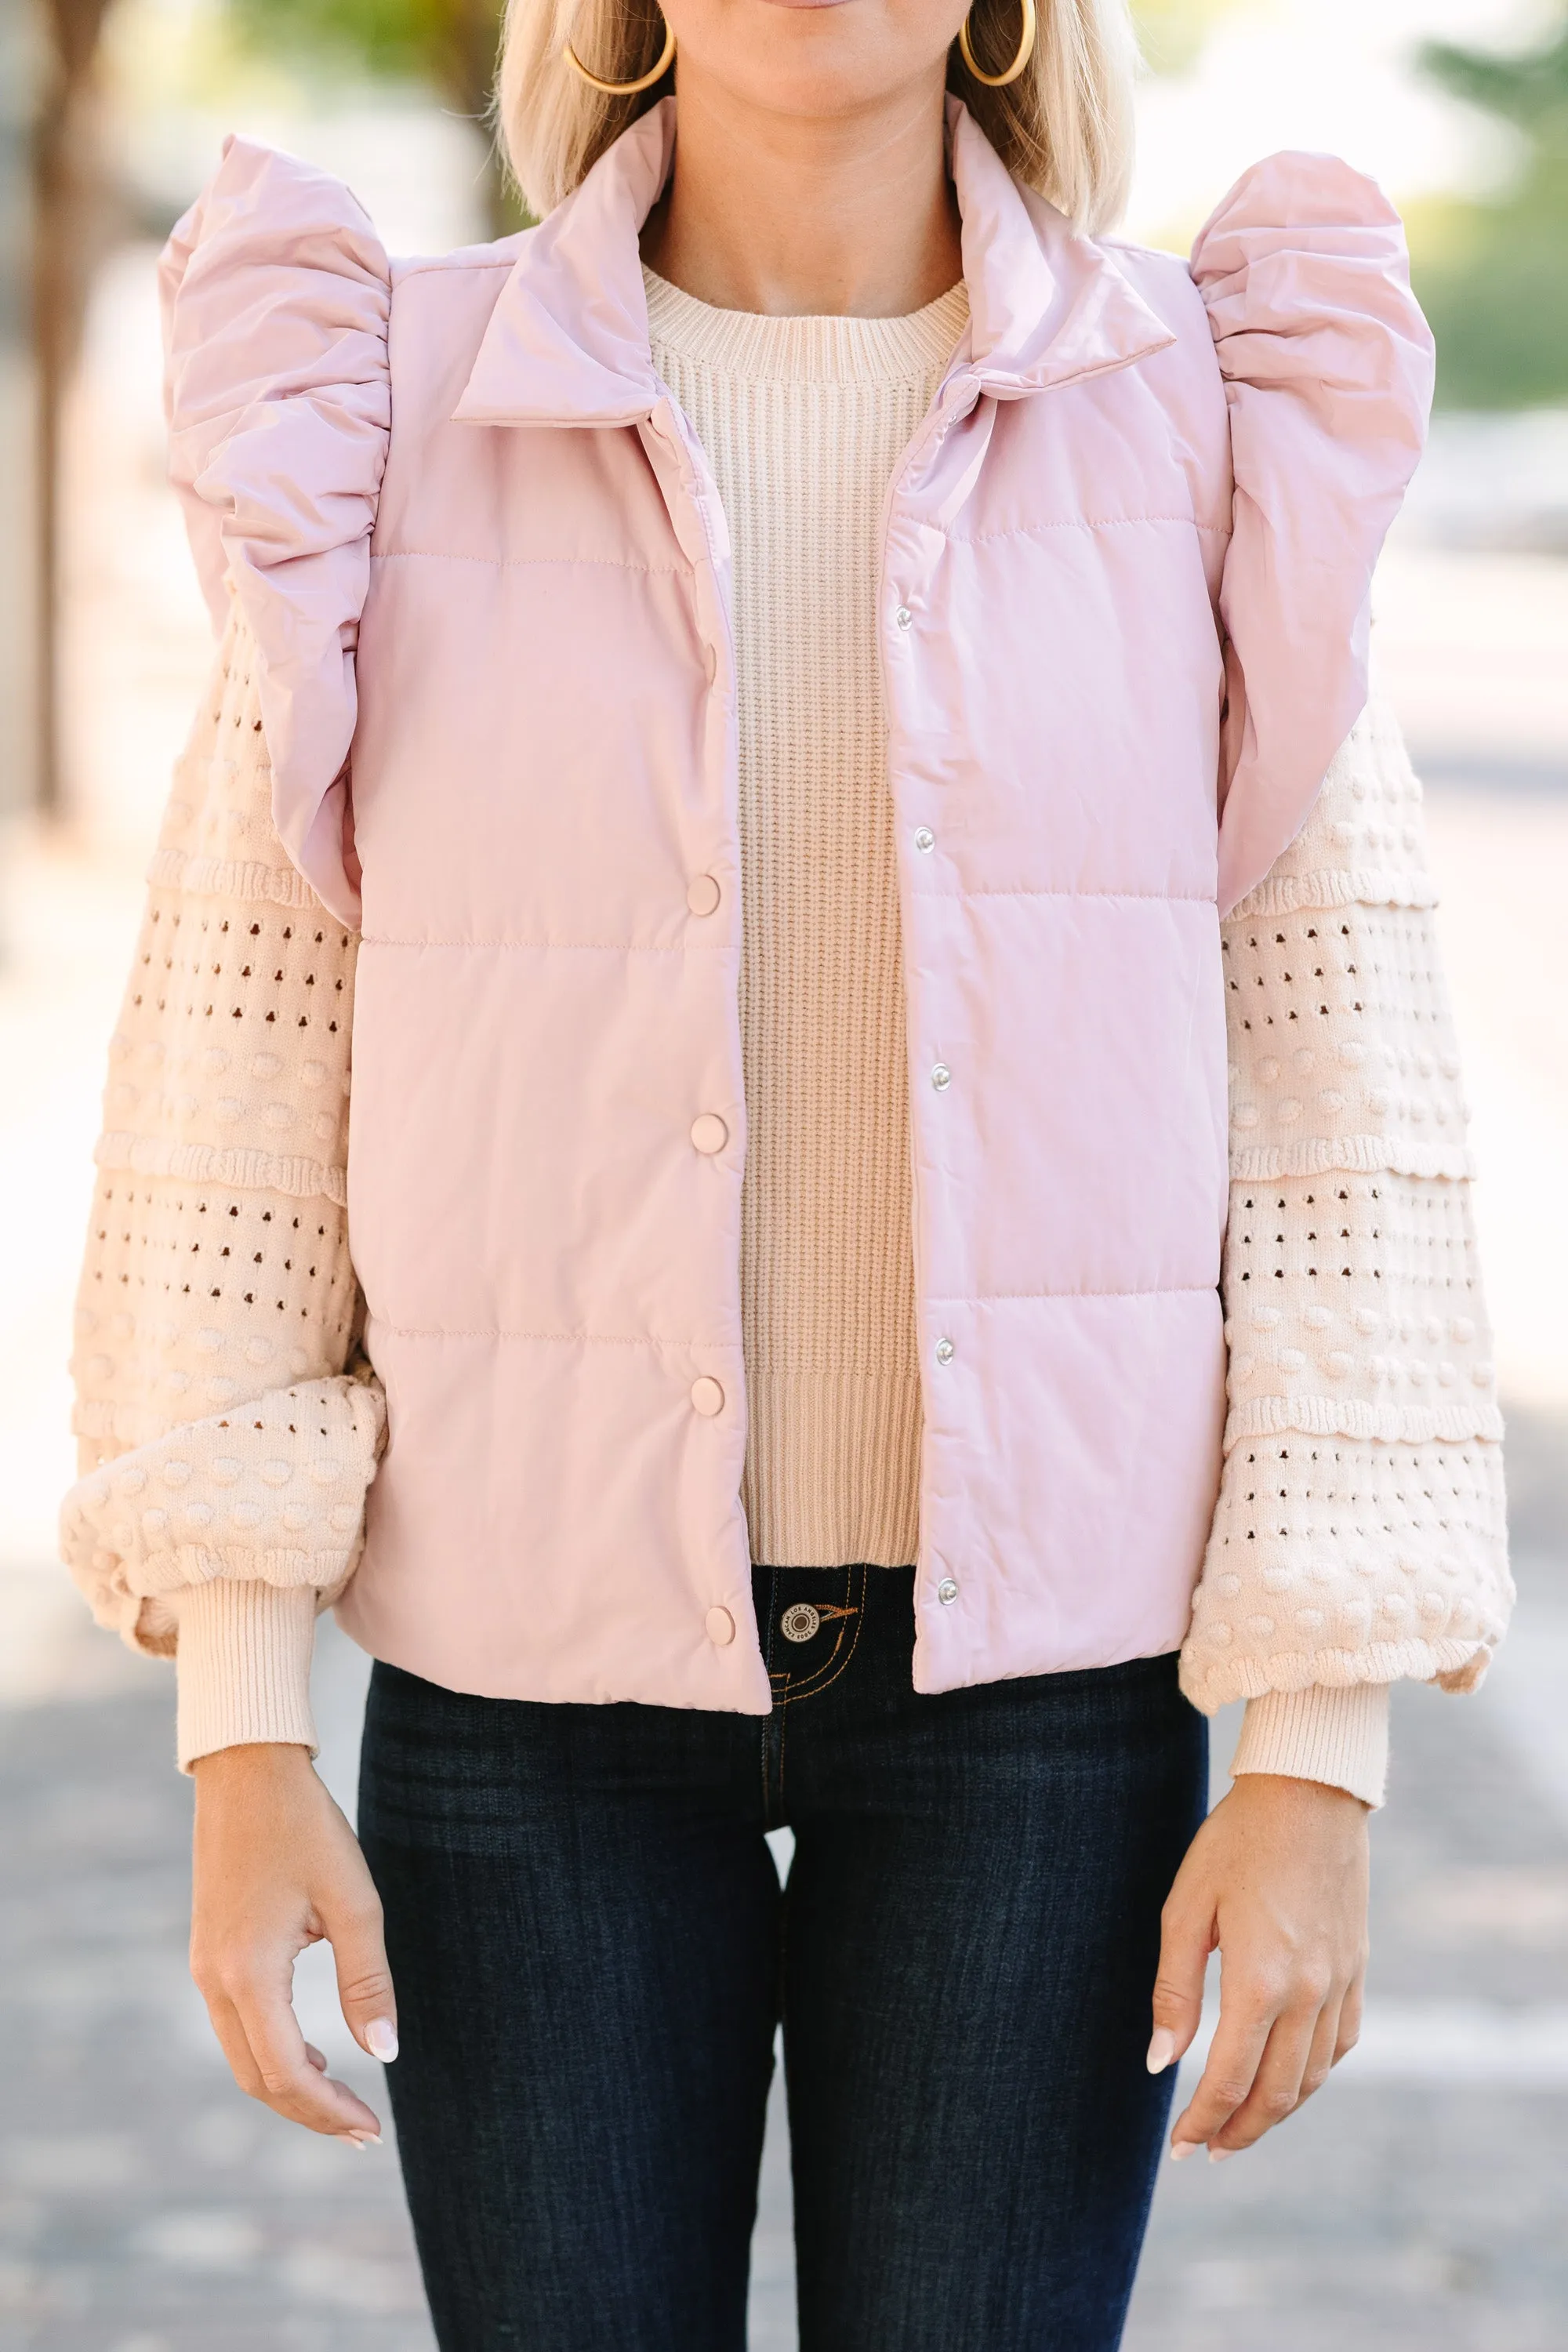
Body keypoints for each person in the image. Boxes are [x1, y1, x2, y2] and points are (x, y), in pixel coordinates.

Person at [60, 0, 1512, 2343]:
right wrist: (243, 1728)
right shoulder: (385, 403)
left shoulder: (1213, 413)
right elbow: (245, 1064)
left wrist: (1315, 1758)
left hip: (1039, 1716)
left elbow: (1344, 1100)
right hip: (520, 1706)